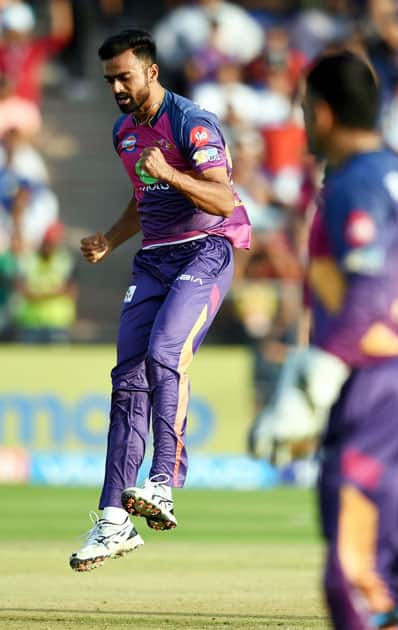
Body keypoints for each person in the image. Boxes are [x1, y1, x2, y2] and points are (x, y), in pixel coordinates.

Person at [69, 29, 250, 572]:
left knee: (165, 353)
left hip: (207, 251)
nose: (117, 88)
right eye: (109, 81)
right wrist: (109, 238)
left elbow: (223, 197)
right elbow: (142, 196)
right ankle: (112, 520)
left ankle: (164, 484)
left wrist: (169, 171)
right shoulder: (124, 131)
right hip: (153, 258)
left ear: (150, 71)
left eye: (124, 76)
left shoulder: (190, 121)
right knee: (127, 381)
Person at [302, 52, 398, 629]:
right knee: (397, 573)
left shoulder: (355, 182)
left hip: (373, 378)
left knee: (353, 573)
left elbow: (367, 288)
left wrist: (323, 370)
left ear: (320, 113)